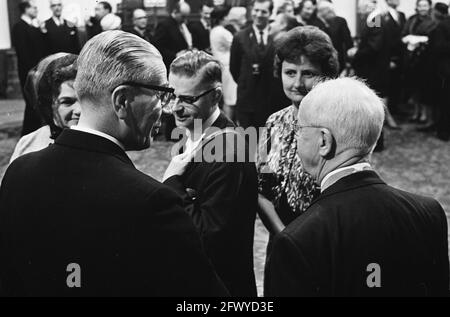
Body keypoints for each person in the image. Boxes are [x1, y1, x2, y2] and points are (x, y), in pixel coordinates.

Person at [0, 31, 228, 297]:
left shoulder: (18, 171)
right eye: (162, 94)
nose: (166, 109)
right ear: (121, 101)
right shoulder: (152, 201)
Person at [265, 77, 449, 296]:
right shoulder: (429, 211)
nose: (296, 137)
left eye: (300, 129)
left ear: (324, 141)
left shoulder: (298, 240)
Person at [162, 51, 258, 296]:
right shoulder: (193, 130)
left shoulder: (230, 150)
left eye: (188, 99)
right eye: (171, 96)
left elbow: (208, 238)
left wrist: (172, 183)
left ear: (215, 95)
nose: (176, 108)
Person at [257, 27, 338, 292]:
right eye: (290, 72)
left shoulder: (338, 125)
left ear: (326, 75)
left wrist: (297, 242)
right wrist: (282, 235)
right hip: (280, 241)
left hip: (321, 247)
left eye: (308, 74)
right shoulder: (274, 122)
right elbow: (261, 188)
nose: (297, 83)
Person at [10, 53, 80, 163]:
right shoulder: (29, 143)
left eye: (84, 101)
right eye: (67, 102)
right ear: (49, 105)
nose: (79, 110)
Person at [230, 0, 277, 129]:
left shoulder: (277, 35)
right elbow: (234, 68)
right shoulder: (240, 37)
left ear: (270, 13)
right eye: (256, 10)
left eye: (263, 11)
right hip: (247, 99)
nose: (258, 14)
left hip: (270, 100)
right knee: (248, 142)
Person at [12, 0, 47, 136]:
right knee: (32, 102)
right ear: (26, 9)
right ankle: (28, 134)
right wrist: (33, 71)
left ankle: (33, 132)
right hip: (29, 72)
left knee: (36, 103)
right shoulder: (19, 27)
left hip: (36, 70)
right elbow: (23, 53)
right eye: (33, 8)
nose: (36, 10)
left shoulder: (32, 26)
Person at [402, 0, 438, 128]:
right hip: (410, 57)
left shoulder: (434, 20)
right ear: (416, 7)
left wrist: (421, 40)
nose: (422, 8)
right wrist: (407, 39)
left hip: (425, 59)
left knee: (423, 87)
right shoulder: (411, 19)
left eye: (425, 5)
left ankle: (424, 114)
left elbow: (435, 38)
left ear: (429, 7)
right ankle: (415, 112)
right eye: (420, 5)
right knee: (413, 86)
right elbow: (404, 33)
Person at [210, 5, 238, 122]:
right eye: (226, 16)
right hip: (227, 67)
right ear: (222, 18)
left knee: (228, 99)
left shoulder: (214, 30)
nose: (228, 19)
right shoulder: (222, 32)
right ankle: (229, 124)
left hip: (223, 66)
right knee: (230, 100)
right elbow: (237, 44)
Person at [316, 0, 353, 73]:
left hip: (338, 60)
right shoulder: (315, 22)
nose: (333, 12)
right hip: (321, 61)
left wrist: (349, 61)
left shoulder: (340, 21)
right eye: (329, 11)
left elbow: (348, 42)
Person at [154, 1, 193, 69]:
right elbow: (157, 47)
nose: (185, 20)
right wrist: (175, 55)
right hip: (170, 65)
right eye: (183, 17)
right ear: (175, 12)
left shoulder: (182, 24)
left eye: (186, 17)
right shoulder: (164, 25)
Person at [431, 3, 450, 141]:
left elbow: (439, 47)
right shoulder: (443, 25)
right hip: (446, 69)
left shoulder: (442, 25)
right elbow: (439, 47)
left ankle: (443, 129)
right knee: (445, 101)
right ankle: (443, 130)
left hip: (445, 68)